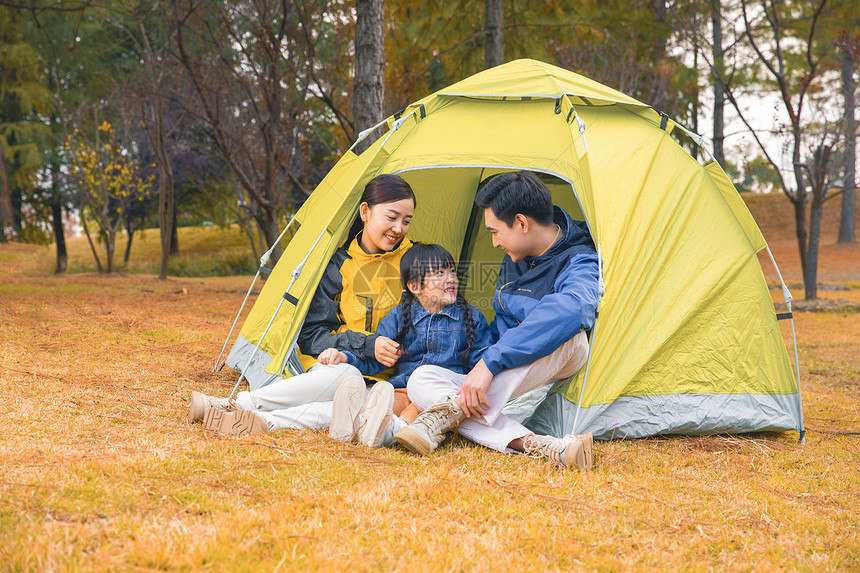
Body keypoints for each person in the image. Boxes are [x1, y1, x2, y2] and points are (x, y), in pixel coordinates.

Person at [393, 171, 599, 471]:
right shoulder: (517, 254)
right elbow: (500, 328)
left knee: (569, 334)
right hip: (504, 375)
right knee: (420, 379)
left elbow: (573, 309)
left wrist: (490, 363)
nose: (493, 242)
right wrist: (481, 363)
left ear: (522, 223)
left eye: (494, 231)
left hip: (552, 362)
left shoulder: (580, 258)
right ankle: (543, 447)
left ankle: (447, 413)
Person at [189, 174, 416, 435]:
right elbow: (312, 336)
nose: (398, 228)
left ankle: (267, 423)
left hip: (388, 379)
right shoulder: (338, 265)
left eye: (406, 221)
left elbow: (434, 322)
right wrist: (365, 346)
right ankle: (235, 404)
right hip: (336, 366)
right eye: (392, 217)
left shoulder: (416, 263)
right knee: (347, 377)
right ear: (365, 211)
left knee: (358, 404)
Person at [322, 243, 494, 447]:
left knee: (413, 412)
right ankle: (356, 424)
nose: (451, 279)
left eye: (452, 271)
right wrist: (344, 357)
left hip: (440, 396)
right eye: (440, 273)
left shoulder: (471, 317)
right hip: (404, 388)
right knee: (386, 402)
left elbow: (483, 363)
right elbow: (378, 360)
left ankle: (390, 431)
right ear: (415, 287)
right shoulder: (399, 318)